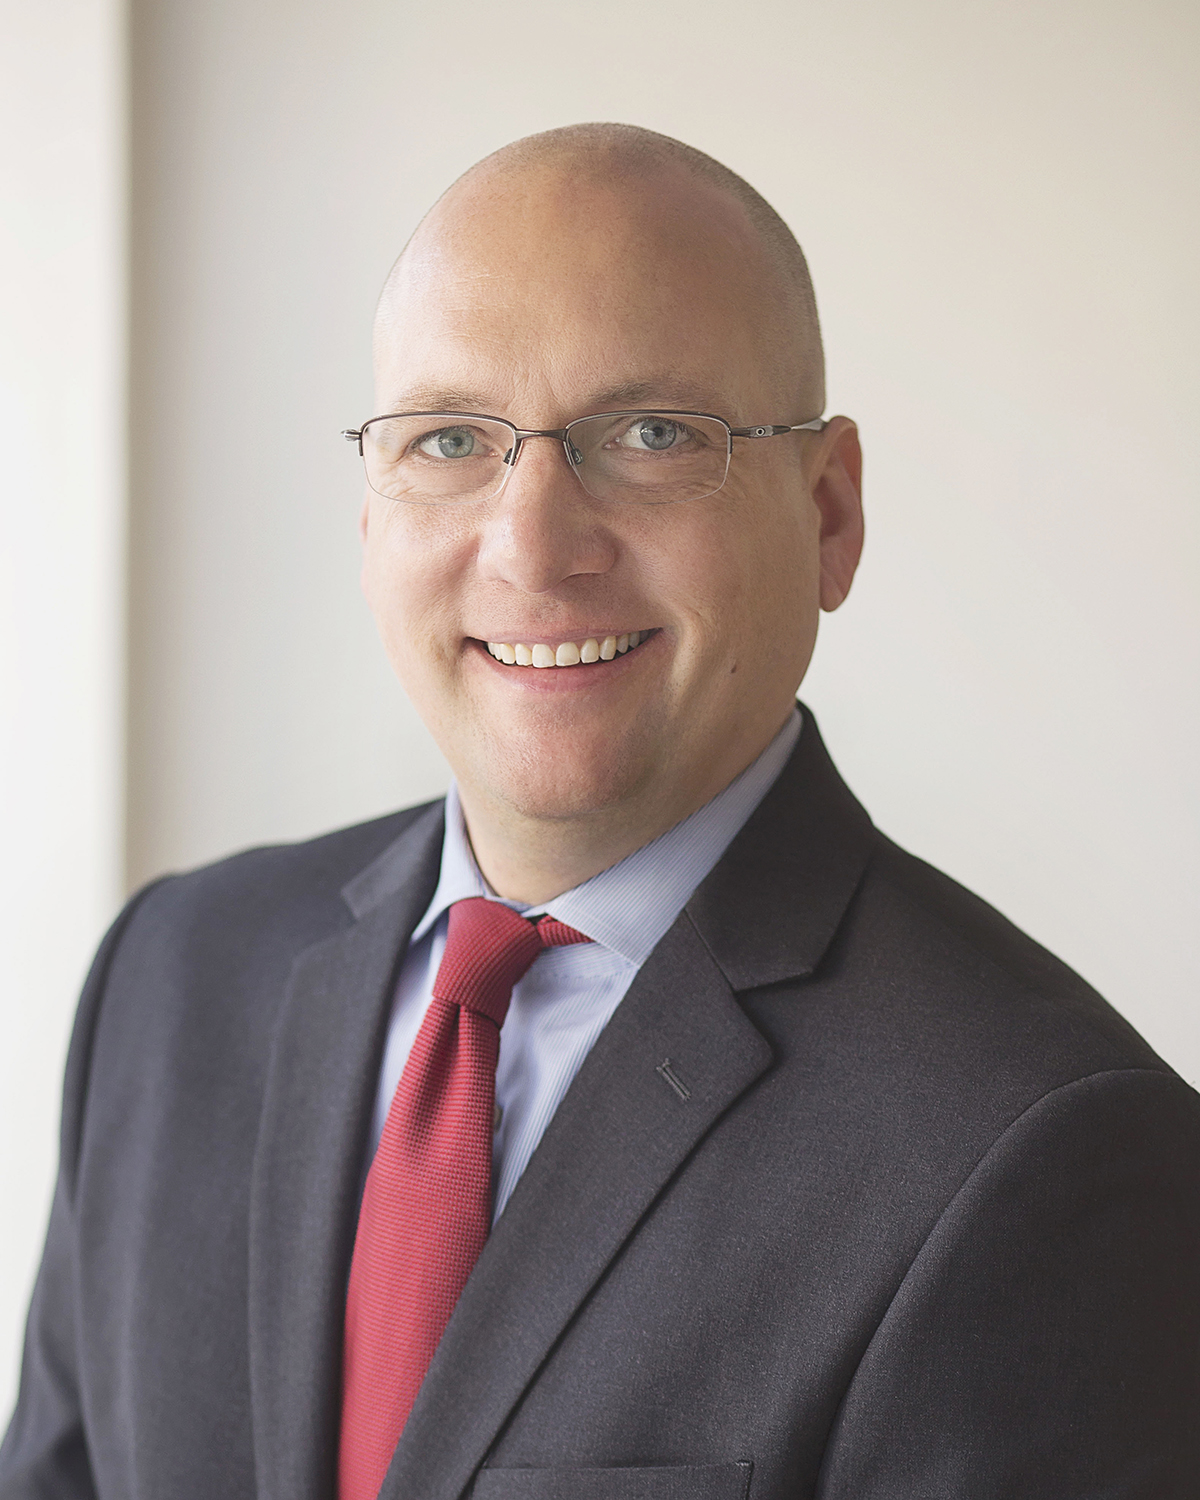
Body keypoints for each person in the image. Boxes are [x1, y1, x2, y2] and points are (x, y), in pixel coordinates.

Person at [2, 122, 1197, 1500]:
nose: (532, 547)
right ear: (371, 516)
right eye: (450, 439)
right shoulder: (170, 979)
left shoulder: (1049, 1152)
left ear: (829, 515)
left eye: (650, 434)